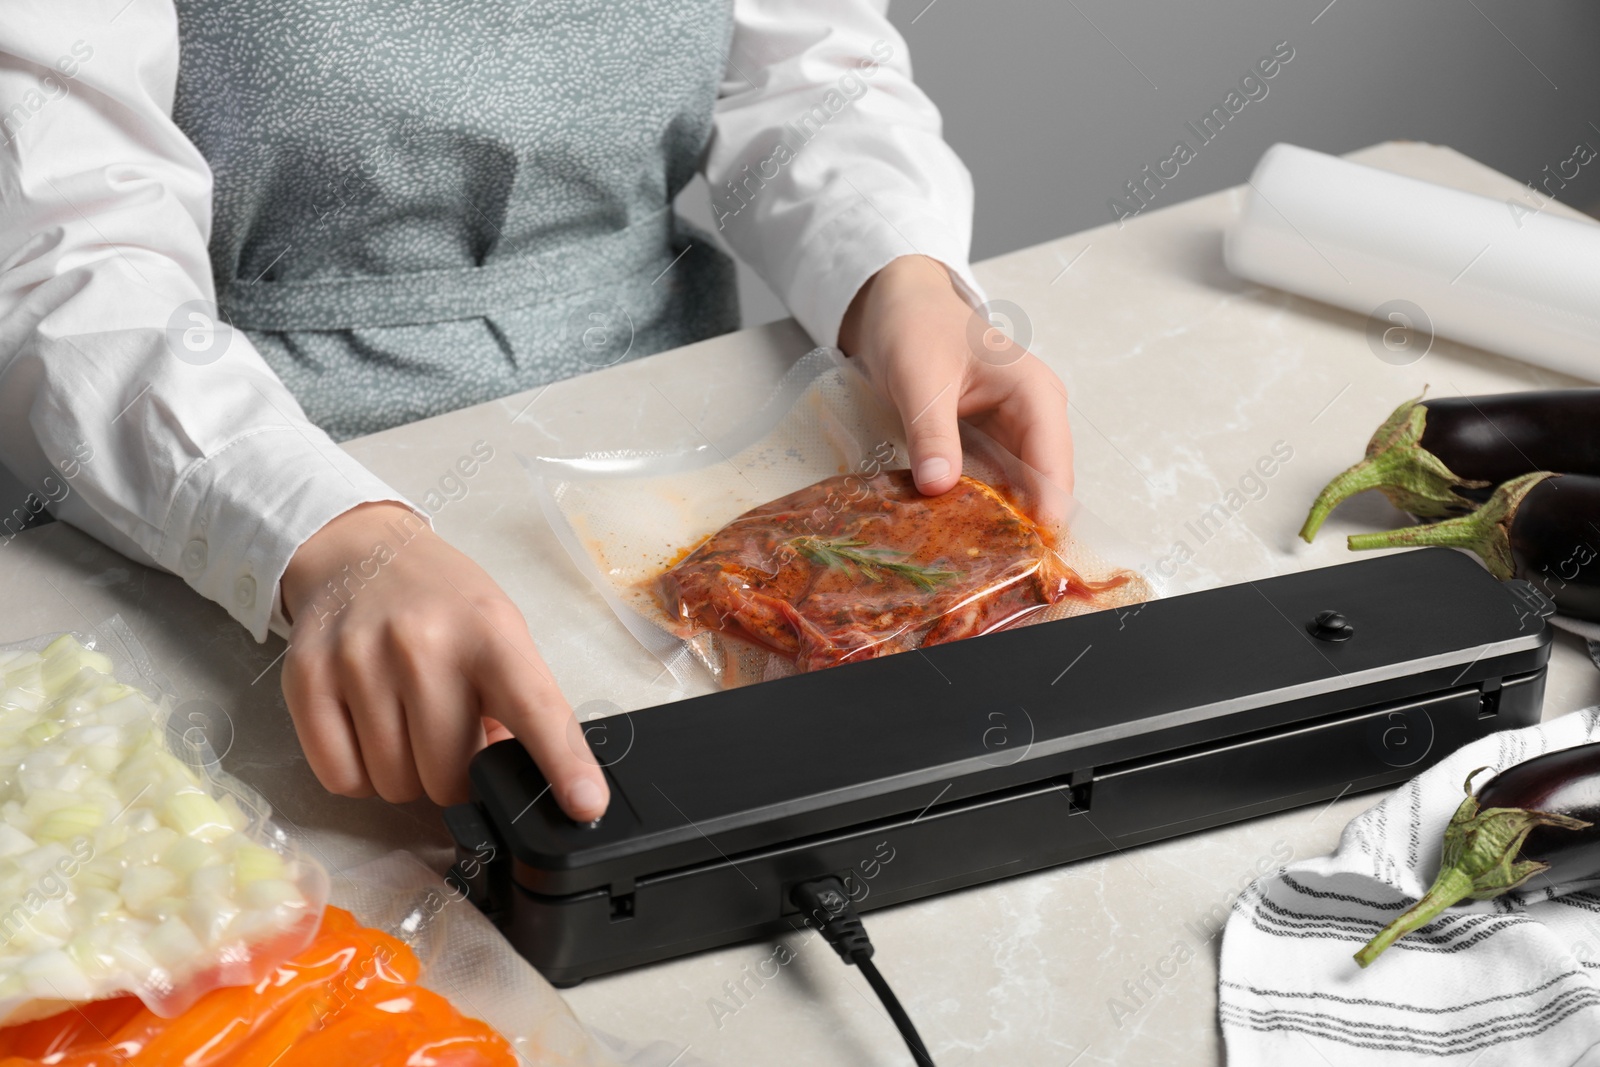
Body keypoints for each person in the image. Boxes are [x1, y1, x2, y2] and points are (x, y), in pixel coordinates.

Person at [0, 1, 1073, 824]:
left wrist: (898, 273)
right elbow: (72, 261)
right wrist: (314, 532)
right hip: (221, 491)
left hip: (677, 453)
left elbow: (807, 72)